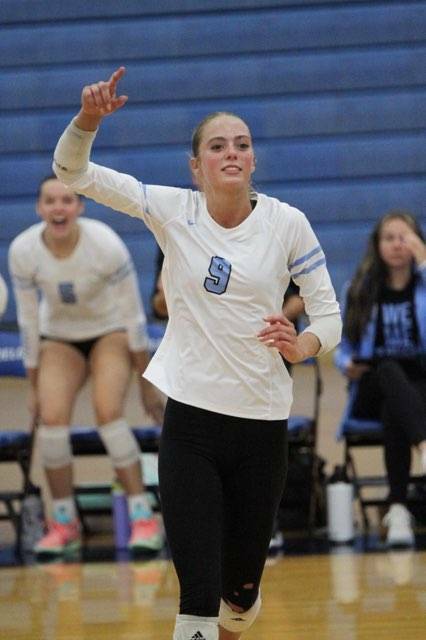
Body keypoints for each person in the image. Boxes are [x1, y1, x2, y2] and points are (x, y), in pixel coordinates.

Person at [52, 66, 341, 640]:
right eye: (217, 146)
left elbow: (328, 315)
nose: (232, 153)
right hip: (191, 425)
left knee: (240, 598)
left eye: (242, 145)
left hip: (262, 424)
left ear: (253, 161)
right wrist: (88, 119)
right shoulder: (171, 210)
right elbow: (72, 172)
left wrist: (303, 343)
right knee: (198, 595)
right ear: (197, 165)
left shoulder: (288, 224)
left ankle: (236, 611)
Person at [8, 175, 165, 556]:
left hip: (109, 331)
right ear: (39, 208)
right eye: (50, 201)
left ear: (79, 208)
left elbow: (132, 315)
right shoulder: (23, 250)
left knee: (108, 413)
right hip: (59, 338)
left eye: (66, 200)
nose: (58, 208)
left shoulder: (105, 245)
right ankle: (64, 522)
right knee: (52, 422)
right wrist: (33, 386)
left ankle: (143, 515)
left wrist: (145, 379)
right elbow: (28, 322)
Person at [334, 210, 426, 547]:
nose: (397, 245)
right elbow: (342, 347)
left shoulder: (423, 285)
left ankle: (398, 509)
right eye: (389, 238)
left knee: (396, 410)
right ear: (377, 245)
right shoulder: (359, 289)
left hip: (417, 388)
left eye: (405, 237)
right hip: (371, 384)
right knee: (388, 371)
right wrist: (346, 364)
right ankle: (424, 446)